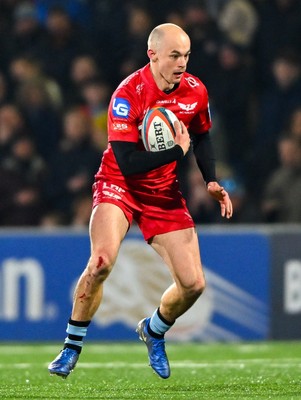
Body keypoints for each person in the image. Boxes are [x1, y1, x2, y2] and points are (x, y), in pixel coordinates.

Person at [48, 23, 233, 380]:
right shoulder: (127, 94)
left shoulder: (195, 92)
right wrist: (177, 152)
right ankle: (71, 348)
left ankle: (154, 330)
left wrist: (211, 179)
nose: (182, 63)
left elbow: (203, 136)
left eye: (187, 55)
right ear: (153, 55)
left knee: (194, 284)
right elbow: (128, 161)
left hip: (162, 192)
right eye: (175, 55)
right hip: (120, 183)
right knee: (101, 262)